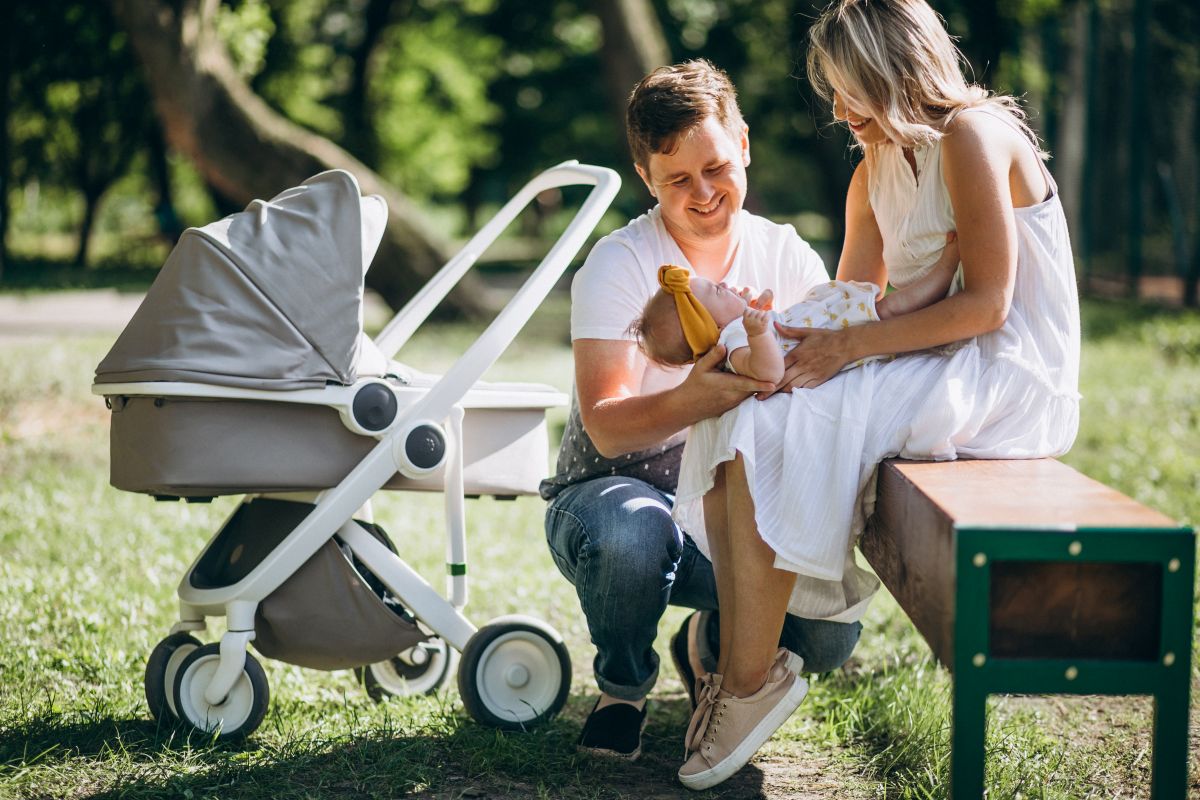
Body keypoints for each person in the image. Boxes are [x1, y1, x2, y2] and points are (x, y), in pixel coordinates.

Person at [669, 0, 1082, 790]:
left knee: (785, 423)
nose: (836, 110)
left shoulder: (973, 135)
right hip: (938, 353)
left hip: (1006, 371)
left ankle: (748, 683)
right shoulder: (872, 173)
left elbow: (988, 304)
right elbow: (855, 300)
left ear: (889, 73)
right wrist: (776, 337)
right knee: (748, 407)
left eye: (845, 88)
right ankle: (740, 670)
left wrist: (844, 351)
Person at [539, 59, 863, 763]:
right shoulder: (620, 262)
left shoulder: (785, 254)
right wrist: (692, 397)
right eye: (678, 179)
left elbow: (825, 382)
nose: (705, 193)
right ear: (644, 175)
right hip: (616, 494)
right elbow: (606, 421)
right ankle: (623, 684)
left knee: (830, 636)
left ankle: (714, 642)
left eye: (716, 166)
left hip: (733, 513)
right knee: (630, 536)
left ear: (743, 143)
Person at [632, 243, 959, 381]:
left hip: (828, 325)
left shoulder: (737, 332)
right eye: (718, 290)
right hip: (833, 333)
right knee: (887, 310)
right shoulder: (732, 348)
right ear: (708, 324)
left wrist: (767, 318)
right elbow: (767, 372)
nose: (728, 285)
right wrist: (760, 335)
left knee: (887, 309)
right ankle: (942, 276)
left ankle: (939, 289)